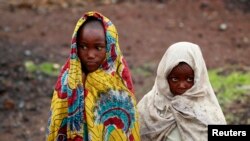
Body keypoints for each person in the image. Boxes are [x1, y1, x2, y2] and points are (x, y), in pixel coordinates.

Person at [46, 11, 140, 141]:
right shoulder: (68, 79)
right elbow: (56, 124)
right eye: (83, 46)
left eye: (98, 47)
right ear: (75, 46)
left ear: (110, 48)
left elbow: (125, 132)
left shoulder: (118, 82)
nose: (90, 54)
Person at [137, 42, 226, 141]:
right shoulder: (148, 107)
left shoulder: (209, 111)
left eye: (189, 79)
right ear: (164, 78)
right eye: (174, 79)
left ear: (198, 77)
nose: (182, 85)